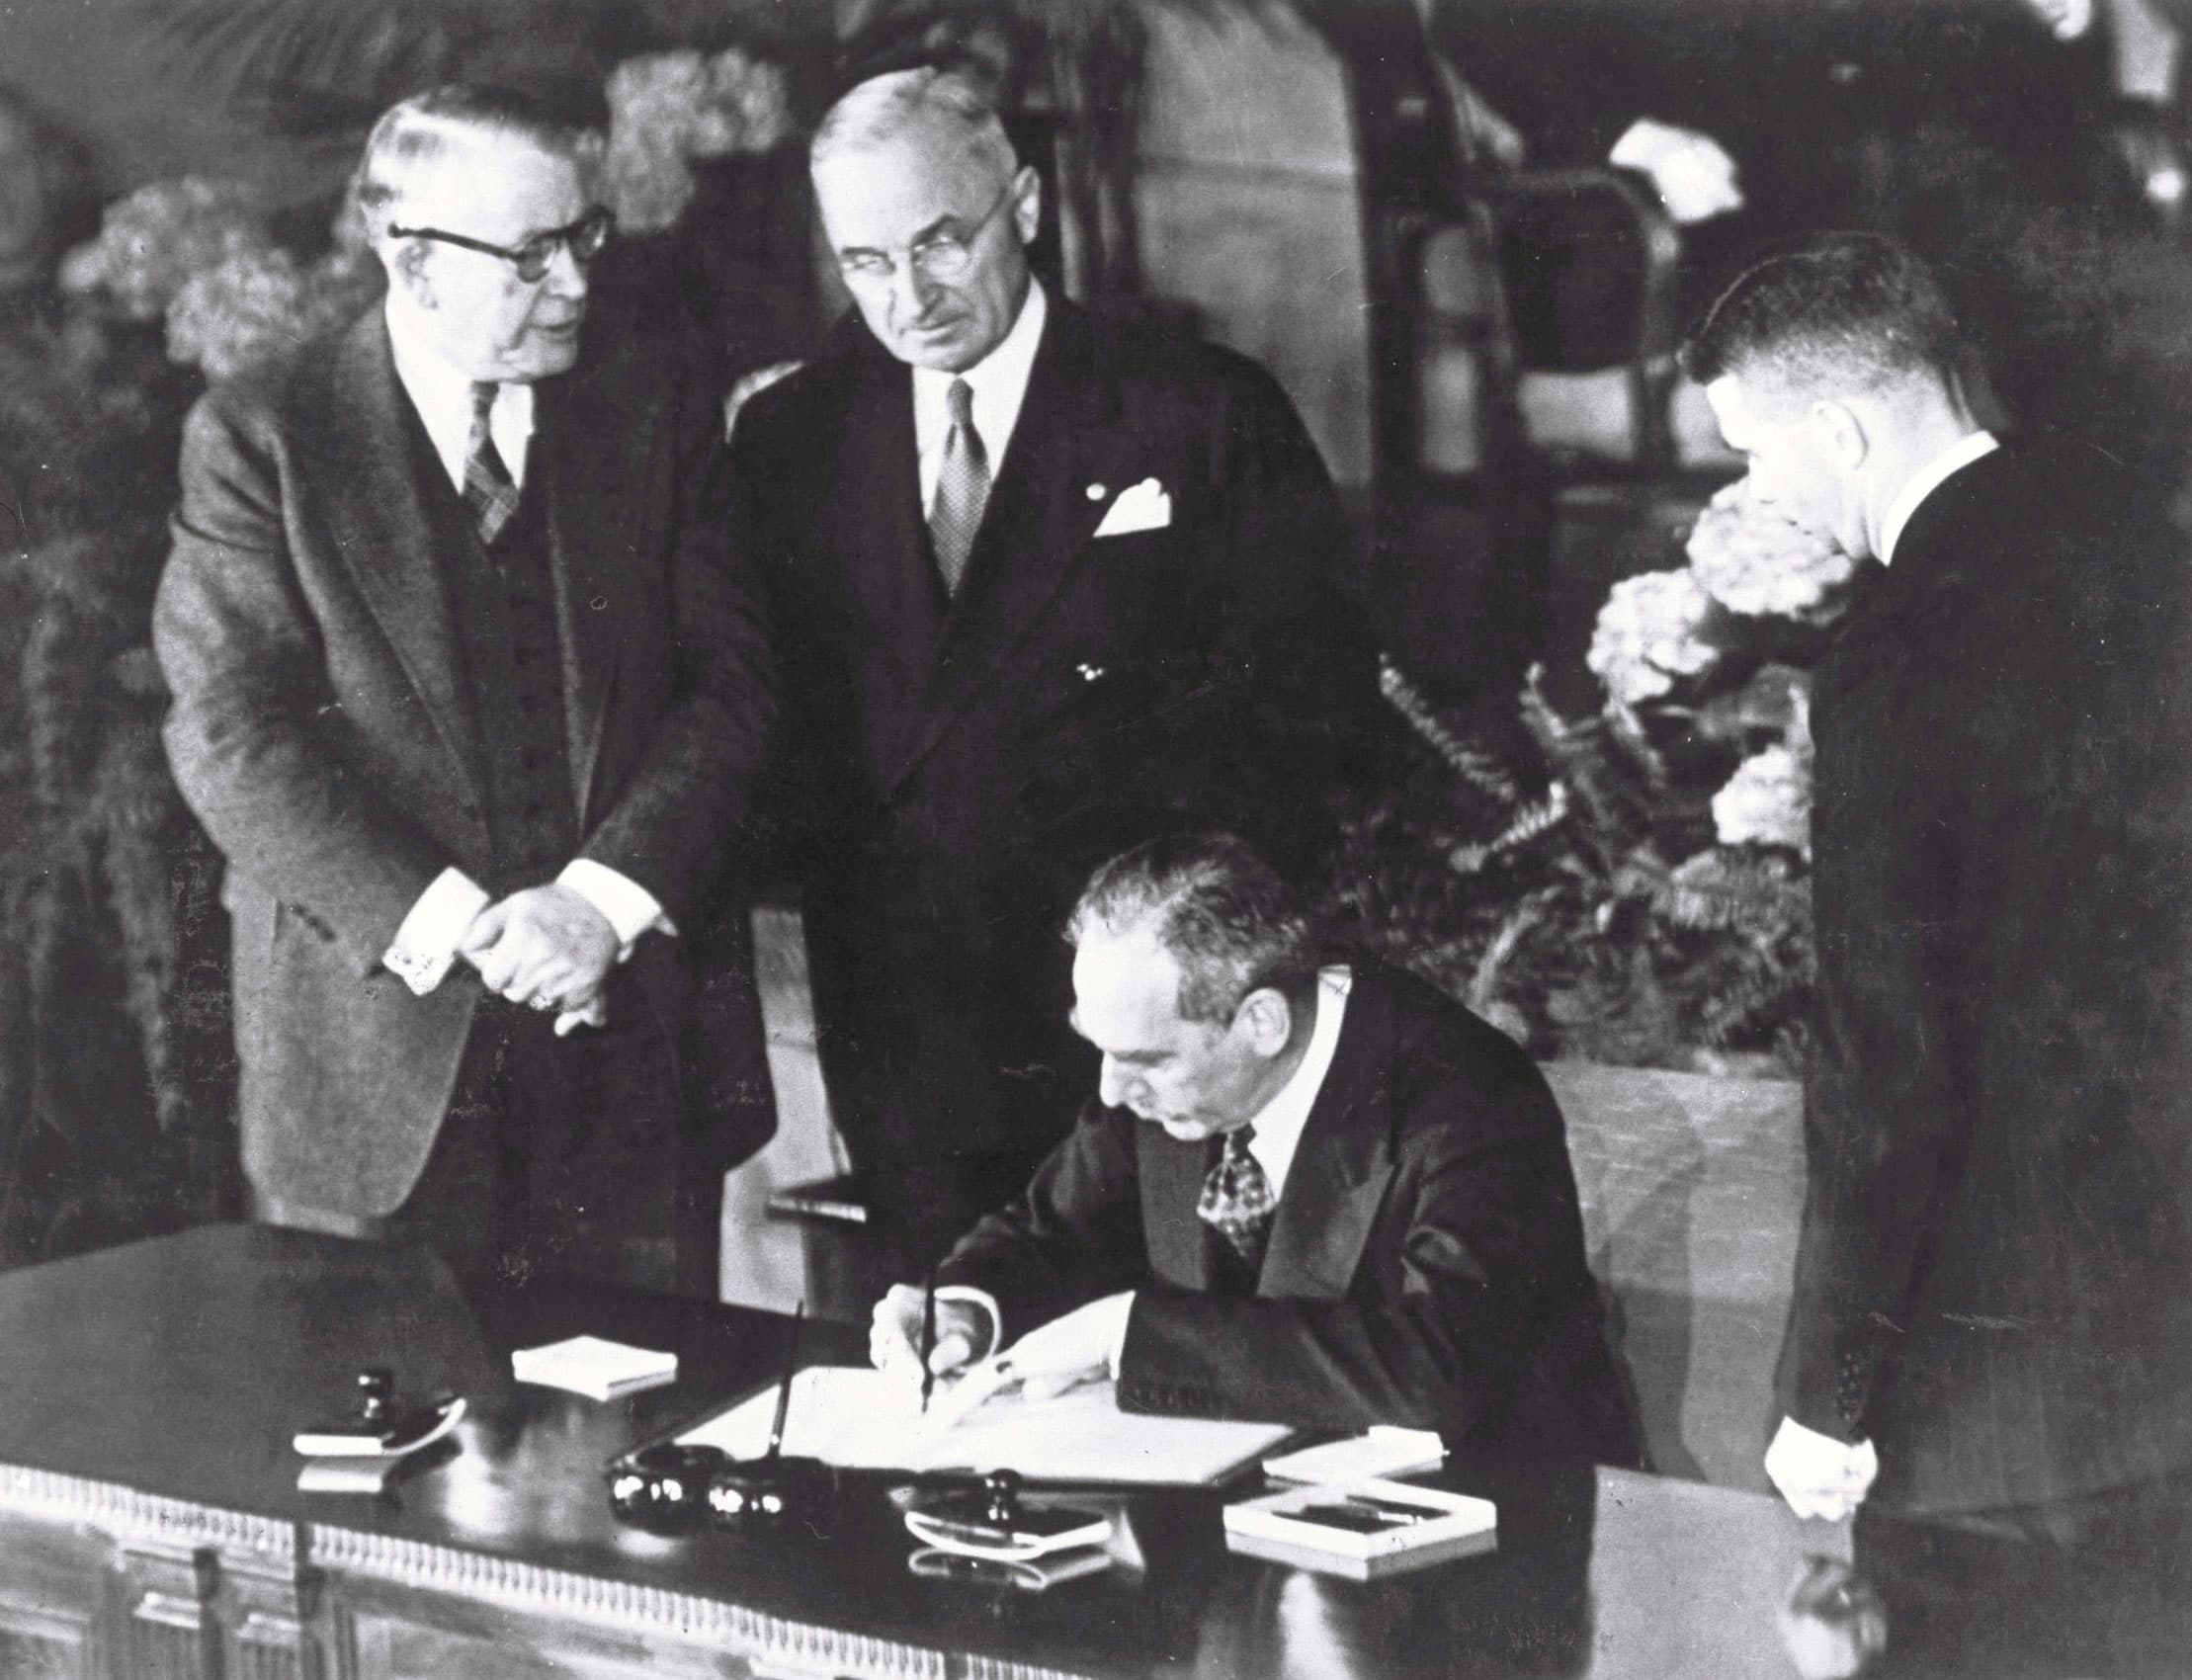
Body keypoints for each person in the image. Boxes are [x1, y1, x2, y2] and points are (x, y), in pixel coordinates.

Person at [731, 67, 1387, 1273]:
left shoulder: (1196, 411)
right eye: (865, 262)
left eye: (940, 243)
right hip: (911, 1020)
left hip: (1151, 1026)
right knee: (951, 1344)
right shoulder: (791, 441)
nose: (910, 297)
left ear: (1022, 205)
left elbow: (1320, 711)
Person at [153, 84, 777, 1295]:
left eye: (587, 236)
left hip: (637, 1061)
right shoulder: (263, 436)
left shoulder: (653, 405)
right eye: (533, 254)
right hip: (374, 1081)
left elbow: (734, 685)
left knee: (641, 1441)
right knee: (365, 1461)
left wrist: (596, 905)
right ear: (412, 259)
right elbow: (233, 736)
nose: (578, 284)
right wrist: (471, 932)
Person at [1686, 233, 2192, 1528]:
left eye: (1753, 449)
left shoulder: (1898, 658)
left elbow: (1886, 1056)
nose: (1753, 492)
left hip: (2015, 1362)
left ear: (1843, 432)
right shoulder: (2142, 540)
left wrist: (1826, 1395)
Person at [867, 833, 1638, 1462]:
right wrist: (966, 1305)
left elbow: (1441, 1368)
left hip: (1494, 1535)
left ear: (1261, 1024)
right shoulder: (1159, 1060)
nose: (1107, 1093)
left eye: (1144, 1060)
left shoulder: (1466, 1095)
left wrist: (1127, 1337)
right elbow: (1053, 1232)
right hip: (1258, 1502)